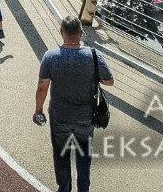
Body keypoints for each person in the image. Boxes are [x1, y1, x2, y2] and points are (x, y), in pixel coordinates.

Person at [35, 16, 113, 192]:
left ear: (61, 32)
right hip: (85, 120)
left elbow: (42, 88)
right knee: (84, 155)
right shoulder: (94, 56)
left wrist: (38, 110)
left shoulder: (50, 57)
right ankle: (83, 189)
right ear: (81, 33)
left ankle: (64, 188)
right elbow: (109, 81)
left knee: (61, 155)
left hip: (60, 118)